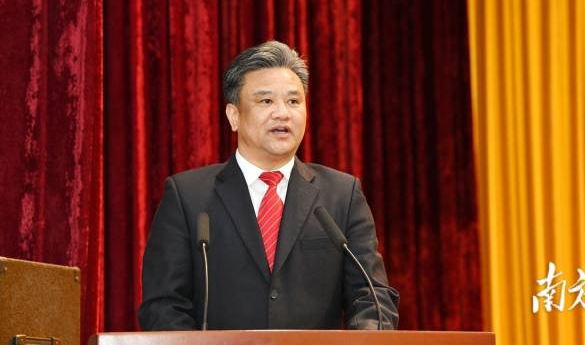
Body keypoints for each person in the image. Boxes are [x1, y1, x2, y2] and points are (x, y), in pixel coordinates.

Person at [138, 40, 399, 330]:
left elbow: (373, 298)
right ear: (234, 116)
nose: (282, 113)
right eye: (266, 101)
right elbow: (163, 305)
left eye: (293, 101)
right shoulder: (187, 197)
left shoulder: (342, 195)